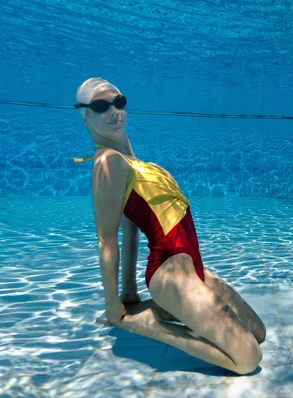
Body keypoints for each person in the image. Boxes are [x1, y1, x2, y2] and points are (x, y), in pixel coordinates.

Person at [74, 77, 265, 375]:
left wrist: (129, 296)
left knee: (258, 333)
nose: (114, 111)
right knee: (248, 359)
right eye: (101, 106)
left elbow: (131, 229)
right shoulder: (107, 163)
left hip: (192, 268)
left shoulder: (130, 161)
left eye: (119, 102)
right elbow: (107, 238)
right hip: (170, 273)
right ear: (85, 115)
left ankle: (172, 310)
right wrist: (113, 305)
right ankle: (152, 326)